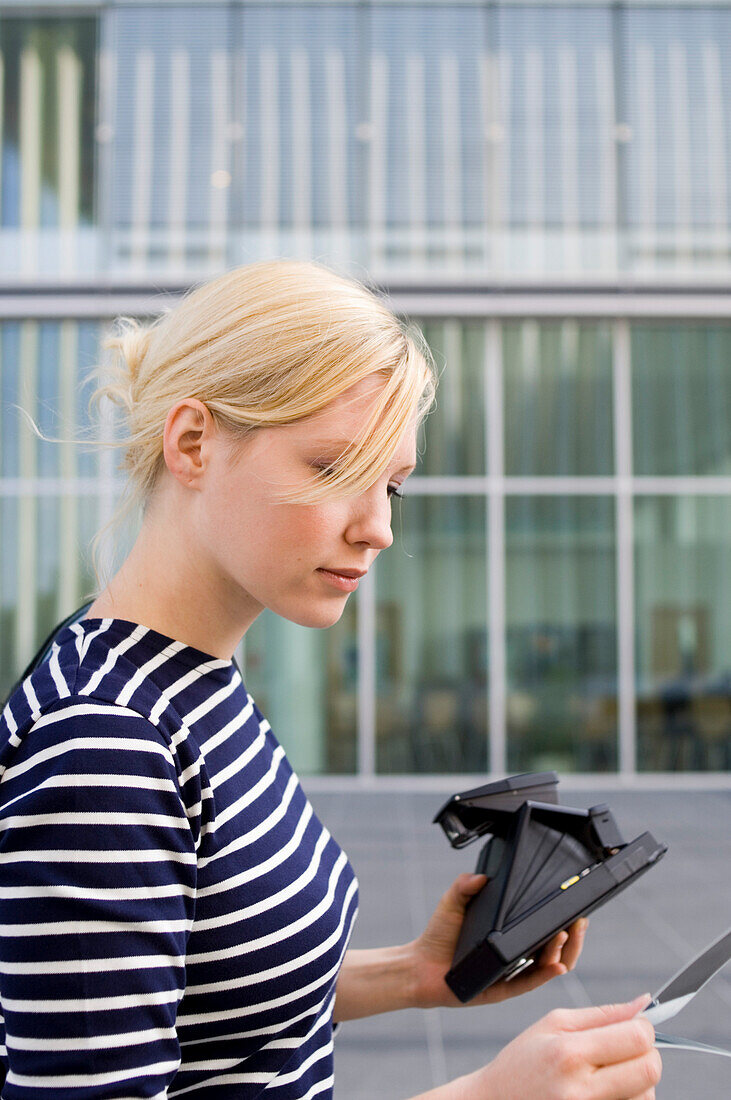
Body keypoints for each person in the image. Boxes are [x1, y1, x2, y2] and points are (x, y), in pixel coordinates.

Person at [0, 260, 661, 1099]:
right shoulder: (108, 740)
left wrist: (415, 973)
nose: (379, 527)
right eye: (333, 470)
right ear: (193, 443)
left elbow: (204, 993)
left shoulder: (187, 680)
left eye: (390, 484)